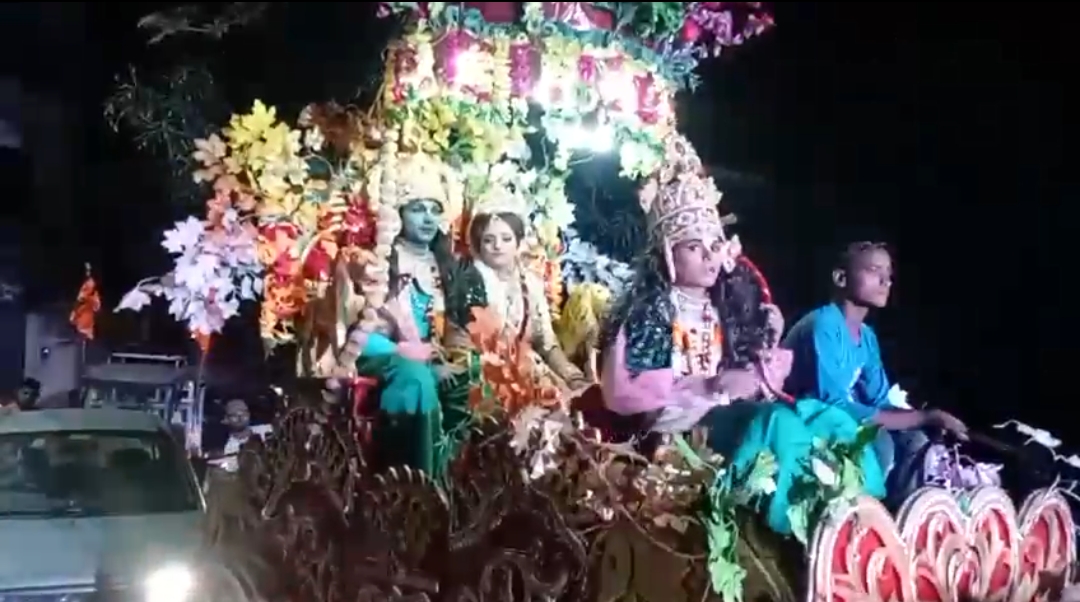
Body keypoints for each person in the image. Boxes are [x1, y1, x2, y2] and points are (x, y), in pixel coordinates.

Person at [598, 133, 886, 535]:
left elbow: (746, 375)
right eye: (693, 247)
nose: (709, 256)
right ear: (667, 252)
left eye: (714, 245)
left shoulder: (724, 307)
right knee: (777, 423)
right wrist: (710, 385)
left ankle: (866, 521)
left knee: (829, 419)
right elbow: (636, 400)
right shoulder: (653, 311)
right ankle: (798, 528)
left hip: (723, 410)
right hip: (678, 430)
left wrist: (758, 366)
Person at [781, 241, 968, 504]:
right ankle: (862, 516)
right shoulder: (824, 324)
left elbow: (879, 401)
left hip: (840, 416)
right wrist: (924, 416)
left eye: (888, 274)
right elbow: (831, 404)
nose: (885, 281)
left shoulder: (866, 336)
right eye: (873, 270)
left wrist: (930, 420)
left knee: (916, 441)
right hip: (803, 417)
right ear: (841, 277)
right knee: (880, 444)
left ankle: (904, 518)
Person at [208, 399, 272, 473]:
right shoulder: (229, 450)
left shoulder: (268, 429)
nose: (240, 417)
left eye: (244, 413)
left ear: (249, 414)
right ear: (225, 420)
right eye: (234, 415)